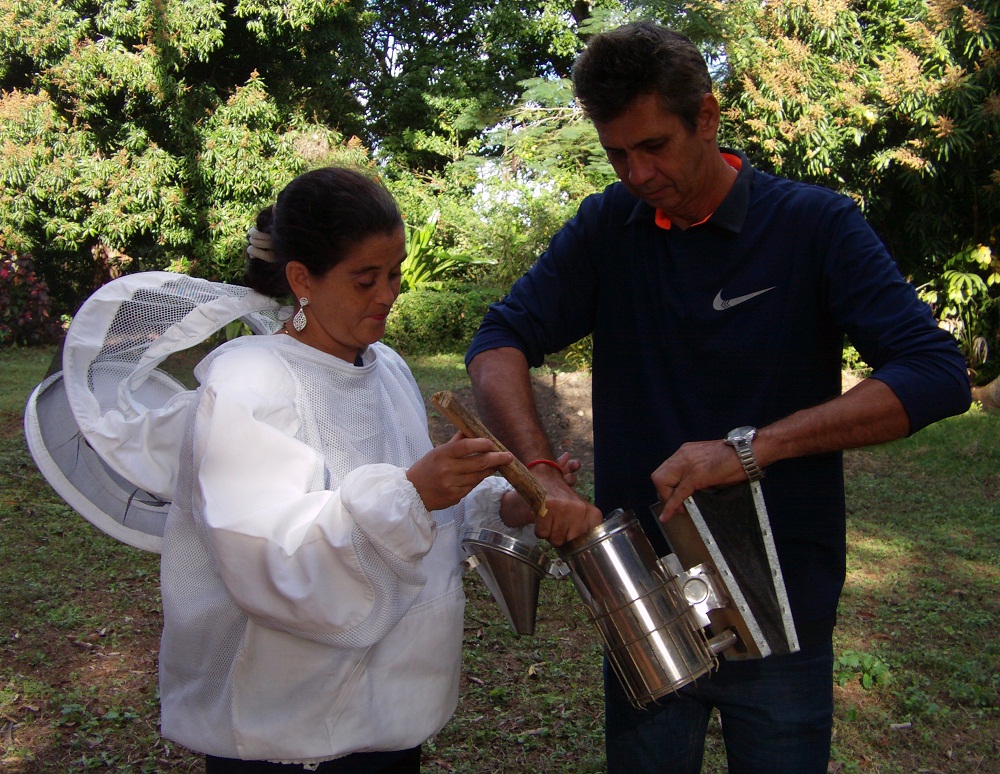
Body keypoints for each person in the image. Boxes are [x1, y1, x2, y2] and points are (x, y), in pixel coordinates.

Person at [465, 21, 972, 774]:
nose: (634, 173)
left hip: (782, 606)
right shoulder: (612, 227)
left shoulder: (814, 226)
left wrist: (748, 451)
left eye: (653, 147)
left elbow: (936, 373)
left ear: (707, 116)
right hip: (641, 596)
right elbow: (498, 341)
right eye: (616, 153)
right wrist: (535, 463)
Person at [157, 167, 544, 773]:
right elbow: (270, 558)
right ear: (301, 279)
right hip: (284, 729)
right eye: (366, 279)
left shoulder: (386, 368)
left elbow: (426, 514)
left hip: (391, 715)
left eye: (393, 273)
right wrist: (413, 494)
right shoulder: (248, 384)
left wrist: (502, 500)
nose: (387, 293)